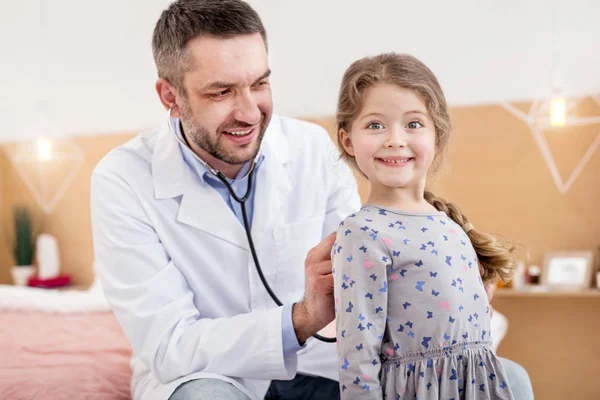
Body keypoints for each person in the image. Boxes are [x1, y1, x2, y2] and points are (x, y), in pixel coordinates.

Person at [90, 1, 534, 399]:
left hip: (320, 367)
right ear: (171, 96)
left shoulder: (309, 146)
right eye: (221, 92)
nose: (248, 111)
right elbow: (170, 345)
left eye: (259, 84)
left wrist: (448, 293)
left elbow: (369, 270)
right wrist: (301, 318)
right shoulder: (122, 180)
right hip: (212, 375)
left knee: (508, 378)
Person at [332, 53, 519, 399]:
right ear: (347, 140)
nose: (394, 139)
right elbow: (357, 356)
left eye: (413, 124)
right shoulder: (362, 233)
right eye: (375, 125)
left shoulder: (450, 224)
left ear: (437, 135)